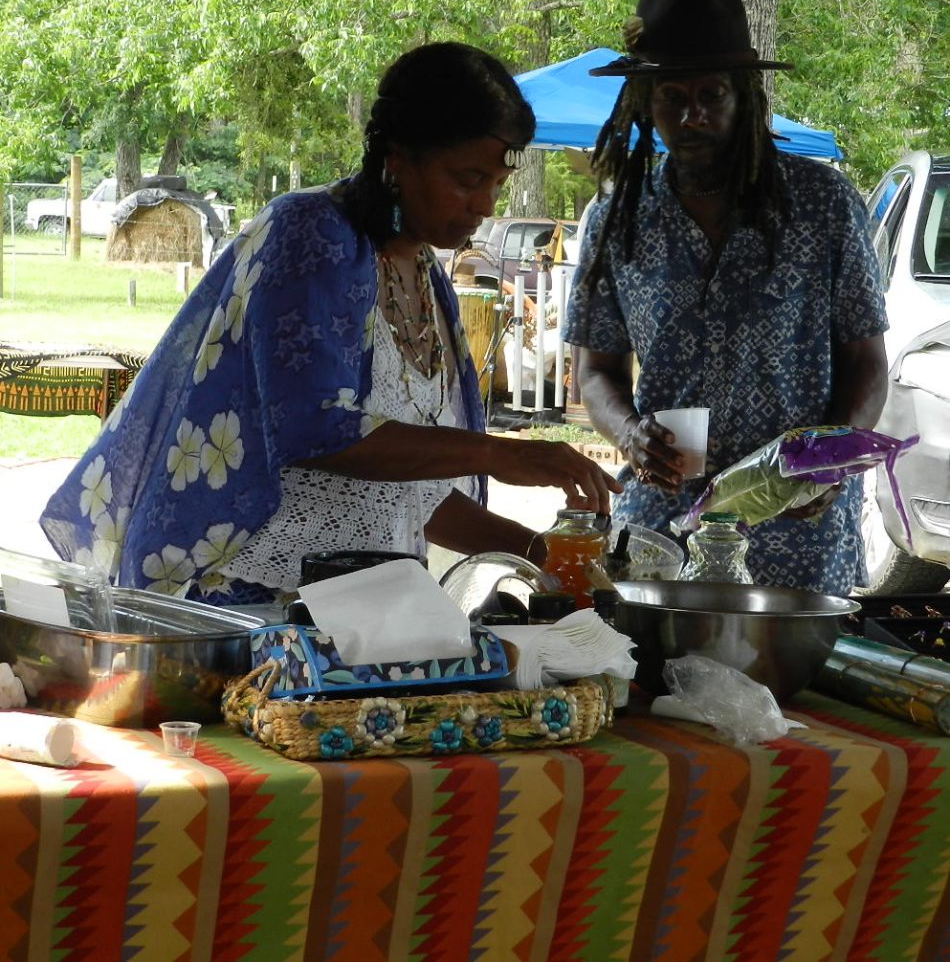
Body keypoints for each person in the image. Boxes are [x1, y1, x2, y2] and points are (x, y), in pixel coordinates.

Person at [41, 42, 620, 608]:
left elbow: (408, 494)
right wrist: (501, 454)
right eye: (467, 179)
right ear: (398, 157)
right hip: (246, 605)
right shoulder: (311, 232)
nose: (486, 205)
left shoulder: (423, 271)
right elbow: (312, 431)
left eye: (496, 183)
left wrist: (547, 556)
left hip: (363, 617)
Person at [564, 0, 888, 596]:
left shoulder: (823, 205)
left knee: (795, 691)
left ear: (745, 95)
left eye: (711, 93)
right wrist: (631, 433)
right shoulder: (617, 217)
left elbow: (867, 363)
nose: (692, 115)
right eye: (670, 96)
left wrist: (825, 464)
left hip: (798, 525)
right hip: (664, 528)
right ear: (642, 103)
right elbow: (594, 370)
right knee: (653, 686)